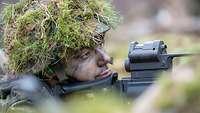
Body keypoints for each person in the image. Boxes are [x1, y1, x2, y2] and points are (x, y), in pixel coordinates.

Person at [0, 0, 120, 112]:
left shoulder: (73, 92)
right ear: (50, 70)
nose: (106, 59)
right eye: (86, 54)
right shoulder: (24, 106)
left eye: (100, 46)